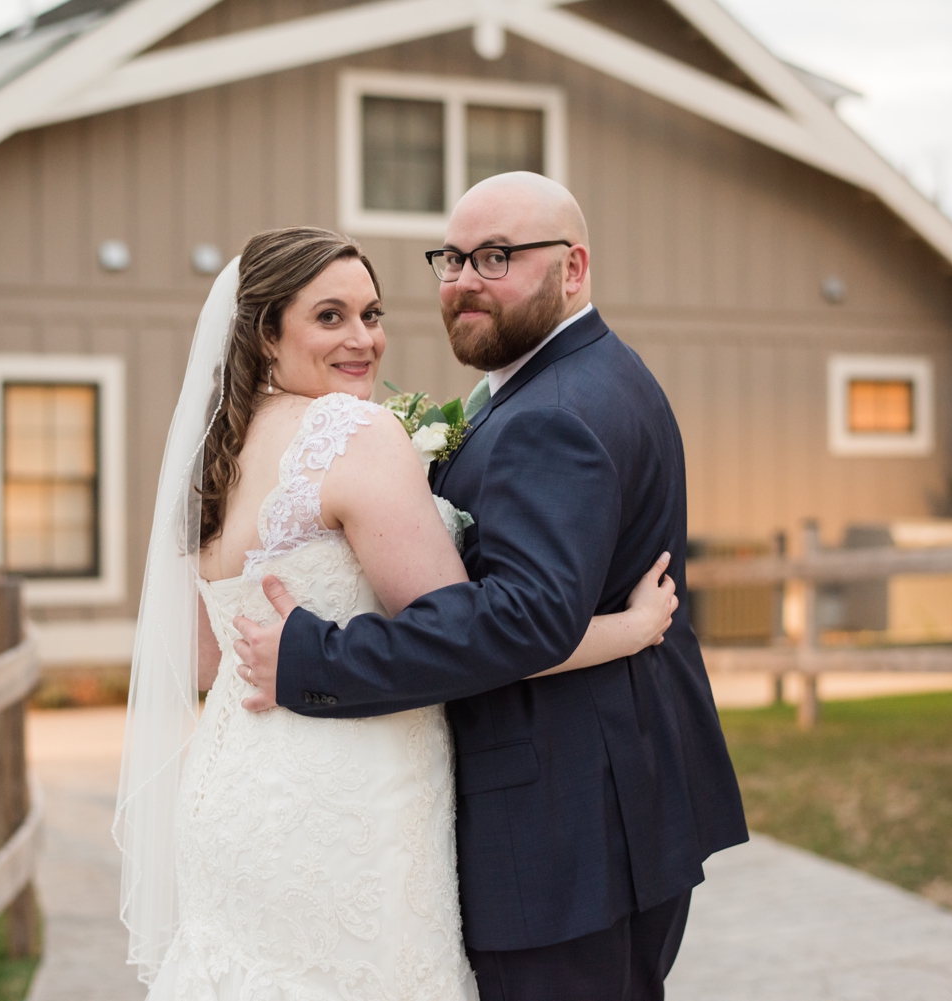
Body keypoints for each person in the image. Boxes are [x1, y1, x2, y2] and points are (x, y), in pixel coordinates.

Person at [116, 225, 681, 1000]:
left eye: (373, 314)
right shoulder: (356, 432)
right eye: (330, 317)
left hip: (233, 791)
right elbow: (474, 638)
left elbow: (204, 662)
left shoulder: (214, 449)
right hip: (348, 794)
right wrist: (631, 629)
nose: (364, 340)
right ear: (264, 333)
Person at [233, 175, 749, 1001]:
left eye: (498, 256)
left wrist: (318, 655)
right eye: (453, 258)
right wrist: (627, 628)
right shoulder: (579, 380)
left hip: (562, 831)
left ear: (573, 269)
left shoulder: (557, 410)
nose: (465, 278)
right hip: (606, 808)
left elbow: (523, 618)